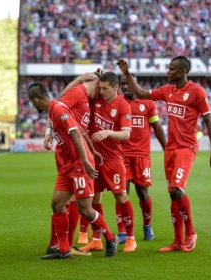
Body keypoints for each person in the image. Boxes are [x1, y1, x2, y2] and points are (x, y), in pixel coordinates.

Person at [117, 56, 211, 253]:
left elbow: (209, 120)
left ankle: (191, 233)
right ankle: (177, 241)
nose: (168, 72)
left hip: (186, 148)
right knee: (173, 195)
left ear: (182, 71)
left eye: (172, 69)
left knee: (177, 189)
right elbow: (139, 92)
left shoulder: (197, 92)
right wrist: (127, 73)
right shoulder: (167, 91)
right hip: (171, 149)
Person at [27, 81, 118, 259]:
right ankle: (63, 249)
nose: (32, 105)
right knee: (57, 203)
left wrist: (85, 159)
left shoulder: (59, 110)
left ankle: (109, 236)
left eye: (32, 103)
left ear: (36, 101)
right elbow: (81, 131)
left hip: (78, 164)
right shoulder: (54, 111)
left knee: (85, 209)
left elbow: (76, 133)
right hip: (68, 166)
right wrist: (93, 151)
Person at [43, 72, 102, 256]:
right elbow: (58, 106)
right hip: (70, 153)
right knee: (64, 201)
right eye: (101, 88)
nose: (101, 93)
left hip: (83, 150)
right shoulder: (78, 92)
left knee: (78, 200)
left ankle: (67, 244)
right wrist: (48, 131)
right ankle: (63, 245)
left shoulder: (92, 97)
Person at [80, 71, 137, 253]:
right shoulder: (95, 99)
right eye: (100, 87)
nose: (101, 91)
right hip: (93, 157)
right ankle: (96, 239)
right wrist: (86, 79)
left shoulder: (123, 106)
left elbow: (127, 134)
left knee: (121, 197)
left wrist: (108, 133)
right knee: (94, 198)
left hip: (113, 159)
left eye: (105, 88)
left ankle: (130, 238)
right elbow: (74, 93)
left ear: (115, 87)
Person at [114, 73, 167, 243]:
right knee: (121, 192)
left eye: (128, 83)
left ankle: (147, 225)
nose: (126, 86)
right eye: (123, 84)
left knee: (143, 194)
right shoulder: (116, 103)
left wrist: (168, 149)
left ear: (135, 83)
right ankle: (123, 231)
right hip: (122, 155)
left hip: (142, 155)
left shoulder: (148, 103)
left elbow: (157, 127)